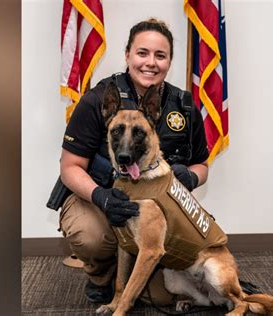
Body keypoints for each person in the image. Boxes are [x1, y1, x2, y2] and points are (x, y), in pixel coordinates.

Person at [58, 18, 209, 305]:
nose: (150, 63)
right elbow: (70, 168)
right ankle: (103, 276)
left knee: (164, 297)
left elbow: (201, 165)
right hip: (96, 197)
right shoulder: (99, 99)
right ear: (127, 55)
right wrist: (101, 197)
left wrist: (190, 178)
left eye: (160, 55)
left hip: (152, 206)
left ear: (169, 61)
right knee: (93, 236)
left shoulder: (184, 106)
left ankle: (136, 270)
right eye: (142, 53)